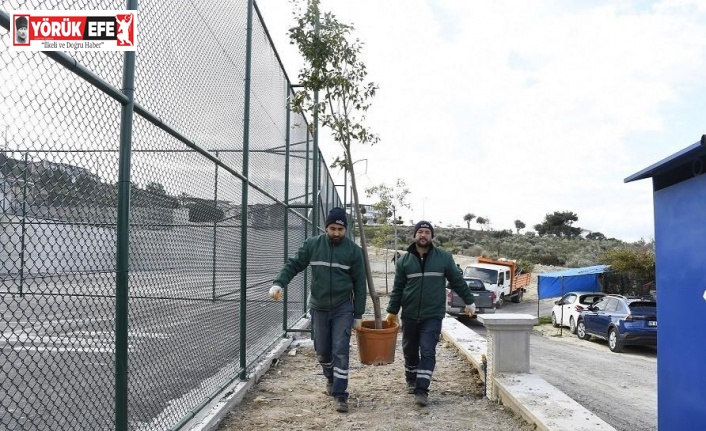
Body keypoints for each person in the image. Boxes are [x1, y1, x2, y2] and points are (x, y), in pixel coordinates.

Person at [269, 207, 367, 413]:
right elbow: (294, 264)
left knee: (340, 349)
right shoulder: (313, 245)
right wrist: (279, 283)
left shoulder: (353, 251)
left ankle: (341, 394)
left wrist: (358, 314)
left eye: (340, 229)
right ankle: (330, 377)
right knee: (322, 351)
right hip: (319, 306)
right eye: (333, 228)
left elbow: (360, 284)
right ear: (326, 228)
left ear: (345, 229)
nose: (337, 233)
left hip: (343, 307)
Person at [385, 221, 476, 407]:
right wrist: (392, 311)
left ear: (432, 237)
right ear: (414, 236)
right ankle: (411, 378)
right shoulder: (404, 261)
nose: (423, 235)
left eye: (427, 232)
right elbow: (398, 289)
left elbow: (457, 280)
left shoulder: (443, 258)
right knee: (410, 350)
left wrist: (469, 301)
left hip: (432, 315)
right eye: (420, 232)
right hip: (409, 314)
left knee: (428, 351)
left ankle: (422, 390)